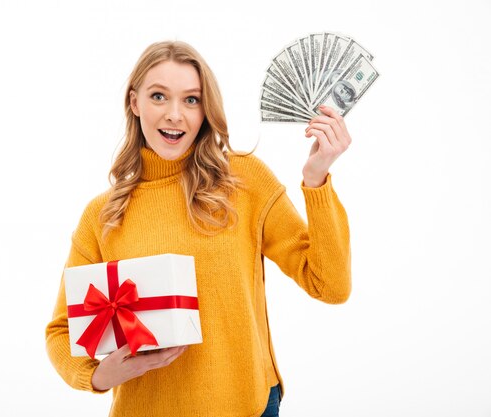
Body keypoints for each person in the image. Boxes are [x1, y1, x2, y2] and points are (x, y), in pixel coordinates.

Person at [45, 40, 352, 417]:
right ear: (134, 102)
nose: (175, 114)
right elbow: (60, 332)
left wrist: (316, 179)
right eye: (159, 96)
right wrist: (97, 375)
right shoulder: (103, 215)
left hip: (248, 405)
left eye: (191, 100)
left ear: (206, 109)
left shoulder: (243, 180)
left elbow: (331, 285)